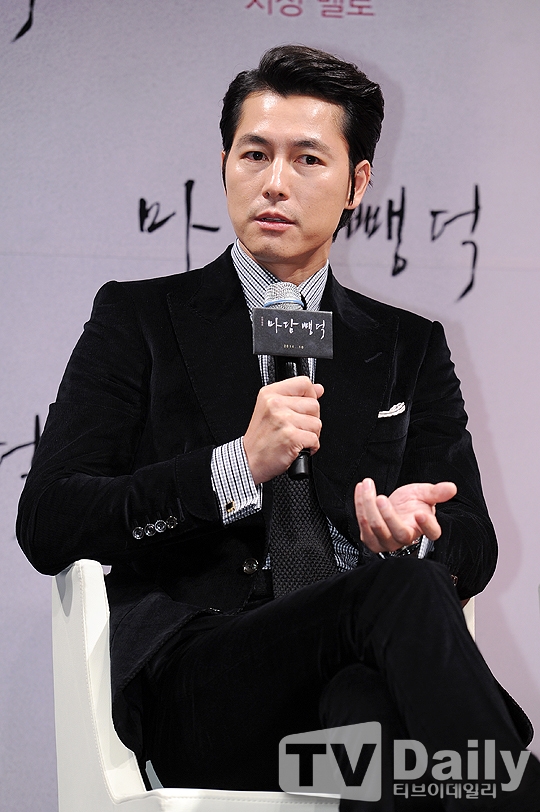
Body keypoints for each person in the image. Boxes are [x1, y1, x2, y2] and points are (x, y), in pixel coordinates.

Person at [17, 45, 540, 810]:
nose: (274, 183)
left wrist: (416, 534)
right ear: (225, 164)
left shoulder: (407, 344)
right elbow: (49, 520)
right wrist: (233, 467)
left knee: (370, 713)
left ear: (358, 183)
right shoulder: (140, 318)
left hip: (344, 684)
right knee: (397, 602)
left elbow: (473, 540)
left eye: (308, 160)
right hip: (201, 685)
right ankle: (515, 776)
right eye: (254, 154)